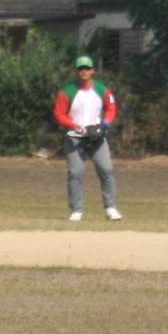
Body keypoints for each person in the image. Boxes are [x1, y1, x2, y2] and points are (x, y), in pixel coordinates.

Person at [53, 54, 122, 222]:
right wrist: (72, 125)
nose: (84, 71)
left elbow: (111, 108)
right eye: (80, 69)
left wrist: (105, 123)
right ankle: (76, 210)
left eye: (87, 68)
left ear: (93, 71)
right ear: (77, 72)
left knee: (106, 170)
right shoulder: (67, 91)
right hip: (75, 137)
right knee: (76, 172)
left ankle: (111, 208)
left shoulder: (101, 90)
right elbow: (59, 113)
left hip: (97, 137)